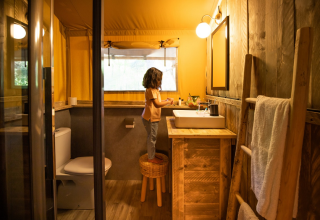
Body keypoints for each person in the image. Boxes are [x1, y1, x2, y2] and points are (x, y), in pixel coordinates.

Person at [141, 67, 173, 164]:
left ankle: (152, 154)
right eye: (159, 79)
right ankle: (151, 158)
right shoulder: (150, 90)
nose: (160, 82)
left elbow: (158, 102)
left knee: (152, 138)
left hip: (152, 117)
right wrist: (167, 102)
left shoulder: (154, 90)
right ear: (153, 79)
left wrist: (166, 101)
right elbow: (157, 104)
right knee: (152, 138)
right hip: (151, 118)